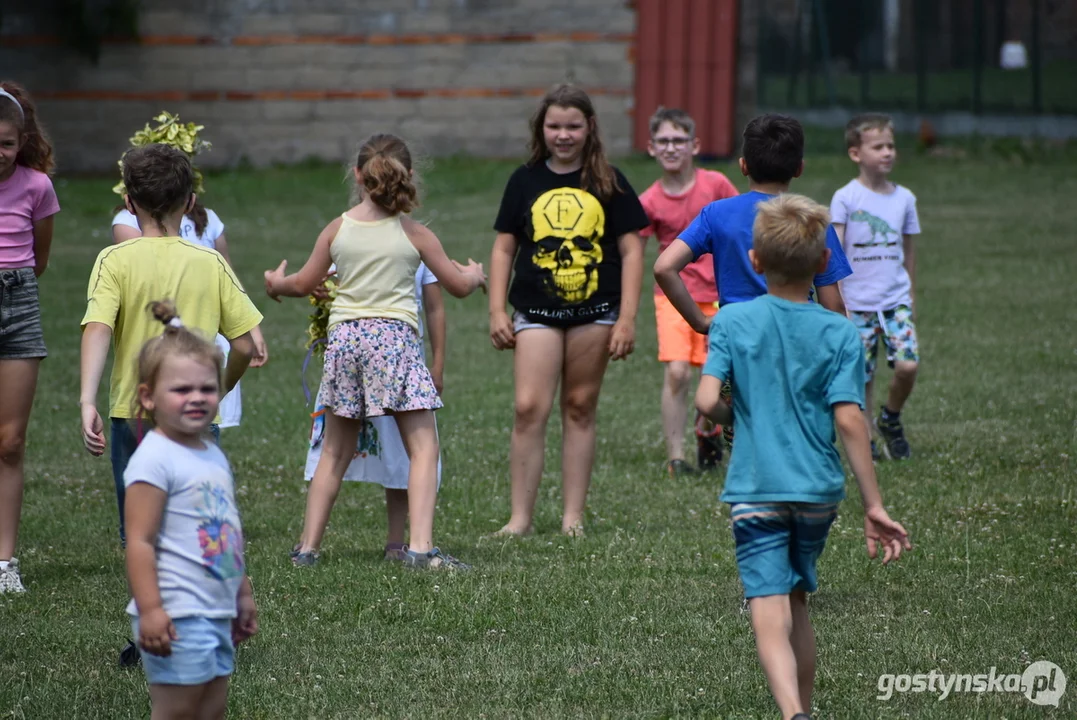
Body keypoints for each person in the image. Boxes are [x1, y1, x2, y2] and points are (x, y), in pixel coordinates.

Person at [694, 194, 911, 720]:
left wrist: (733, 414)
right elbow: (849, 419)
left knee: (767, 604)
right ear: (821, 264)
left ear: (755, 261)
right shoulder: (839, 331)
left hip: (756, 487)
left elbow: (704, 402)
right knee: (796, 600)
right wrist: (874, 504)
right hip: (817, 490)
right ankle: (804, 707)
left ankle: (794, 713)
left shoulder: (732, 321)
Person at [264, 133, 486, 570]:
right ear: (408, 176)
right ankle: (420, 550)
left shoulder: (338, 228)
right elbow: (457, 287)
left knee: (334, 451)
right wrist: (476, 275)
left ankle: (306, 550)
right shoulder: (416, 234)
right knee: (422, 448)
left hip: (345, 342)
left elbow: (304, 283)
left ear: (358, 176)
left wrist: (274, 282)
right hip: (393, 343)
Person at [80, 144, 262, 549]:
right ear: (191, 201)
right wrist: (220, 389)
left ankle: (152, 599)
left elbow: (97, 328)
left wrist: (86, 400)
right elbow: (245, 346)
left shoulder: (113, 260)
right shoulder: (210, 262)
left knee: (141, 528)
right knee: (199, 522)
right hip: (196, 410)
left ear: (128, 203)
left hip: (133, 409)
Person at [488, 83, 649, 537]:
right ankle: (519, 518)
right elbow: (503, 249)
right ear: (542, 128)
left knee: (580, 406)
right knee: (527, 407)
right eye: (554, 125)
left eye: (573, 125)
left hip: (595, 311)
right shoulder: (524, 181)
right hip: (536, 313)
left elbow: (633, 252)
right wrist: (496, 311)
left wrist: (627, 318)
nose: (563, 134)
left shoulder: (609, 181)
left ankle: (572, 517)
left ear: (590, 127)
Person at [654, 114, 853, 449]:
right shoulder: (811, 220)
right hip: (800, 345)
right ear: (799, 168)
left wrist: (701, 322)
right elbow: (833, 303)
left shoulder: (716, 214)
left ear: (743, 165)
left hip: (739, 346)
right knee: (801, 437)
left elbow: (664, 267)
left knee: (749, 451)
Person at [124, 300, 257, 720]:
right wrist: (151, 610)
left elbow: (224, 530)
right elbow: (140, 541)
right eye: (181, 390)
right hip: (177, 613)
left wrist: (242, 590)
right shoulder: (154, 459)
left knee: (212, 709)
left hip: (215, 609)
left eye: (207, 388)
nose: (197, 398)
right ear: (148, 397)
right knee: (177, 712)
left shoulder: (210, 453)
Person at [111, 112, 268, 431]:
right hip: (151, 343)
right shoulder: (126, 238)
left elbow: (230, 279)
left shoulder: (208, 225)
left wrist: (253, 330)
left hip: (201, 335)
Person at [304, 263, 445, 561]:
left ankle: (395, 541)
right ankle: (308, 543)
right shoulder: (359, 236)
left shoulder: (411, 245)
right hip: (387, 358)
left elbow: (435, 306)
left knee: (397, 453)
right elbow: (320, 285)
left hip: (387, 359)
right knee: (337, 452)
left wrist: (438, 364)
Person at [639, 107, 739, 477]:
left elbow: (742, 222)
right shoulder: (649, 200)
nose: (671, 147)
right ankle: (676, 458)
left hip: (721, 294)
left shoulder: (716, 185)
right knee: (678, 373)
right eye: (663, 141)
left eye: (678, 140)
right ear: (651, 148)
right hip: (674, 297)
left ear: (694, 145)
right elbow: (635, 251)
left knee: (722, 377)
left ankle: (710, 428)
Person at [830, 113, 921, 461]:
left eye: (891, 146)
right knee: (862, 375)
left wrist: (909, 291)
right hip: (857, 303)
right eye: (878, 146)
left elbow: (908, 250)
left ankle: (891, 418)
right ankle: (866, 438)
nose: (887, 153)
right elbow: (834, 251)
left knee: (908, 365)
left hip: (895, 301)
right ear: (856, 154)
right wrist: (838, 298)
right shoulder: (846, 198)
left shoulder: (905, 199)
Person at [0, 81, 59, 594]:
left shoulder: (37, 186)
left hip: (18, 303)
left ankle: (4, 564)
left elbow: (39, 262)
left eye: (5, 142)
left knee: (11, 442)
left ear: (22, 140)